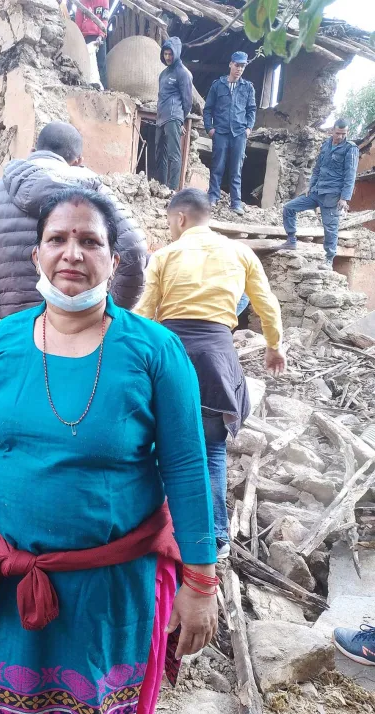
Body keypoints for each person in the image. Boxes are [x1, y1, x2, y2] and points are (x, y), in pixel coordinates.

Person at [0, 187, 218, 714]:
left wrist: (200, 581)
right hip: (10, 573)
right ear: (36, 255)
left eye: (90, 241)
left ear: (113, 261)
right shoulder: (2, 342)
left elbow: (186, 467)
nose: (72, 253)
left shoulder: (155, 350)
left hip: (111, 592)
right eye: (58, 239)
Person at [134, 189, 285, 559]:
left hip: (171, 357)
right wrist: (274, 345)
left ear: (180, 219)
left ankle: (161, 528)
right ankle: (216, 536)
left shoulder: (165, 256)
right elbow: (265, 302)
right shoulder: (240, 252)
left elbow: (145, 312)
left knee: (160, 447)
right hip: (218, 357)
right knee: (212, 451)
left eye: (170, 221)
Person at [0, 121, 147, 346]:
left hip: (14, 338)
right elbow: (135, 251)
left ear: (33, 151)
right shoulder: (93, 192)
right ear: (79, 161)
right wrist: (111, 315)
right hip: (82, 340)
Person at [280, 118, 359, 269]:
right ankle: (291, 240)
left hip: (333, 195)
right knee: (289, 208)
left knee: (330, 227)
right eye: (338, 133)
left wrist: (344, 198)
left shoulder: (350, 148)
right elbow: (317, 168)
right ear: (332, 131)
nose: (341, 136)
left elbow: (351, 174)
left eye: (344, 134)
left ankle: (329, 260)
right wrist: (310, 185)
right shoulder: (326, 144)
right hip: (317, 191)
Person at [203, 51, 257, 216]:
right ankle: (212, 197)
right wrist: (209, 129)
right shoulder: (218, 85)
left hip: (239, 133)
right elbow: (208, 109)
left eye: (242, 66)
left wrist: (248, 129)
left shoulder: (248, 87)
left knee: (236, 169)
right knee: (217, 166)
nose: (239, 69)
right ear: (230, 64)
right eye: (237, 65)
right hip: (220, 132)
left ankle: (236, 202)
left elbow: (251, 110)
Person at [156, 37, 193, 191]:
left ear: (177, 53)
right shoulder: (163, 74)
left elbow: (187, 101)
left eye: (170, 54)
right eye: (165, 54)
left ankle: (171, 191)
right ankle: (161, 187)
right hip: (161, 119)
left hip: (173, 117)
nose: (168, 57)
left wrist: (180, 119)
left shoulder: (183, 73)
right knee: (160, 155)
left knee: (174, 155)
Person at [75, 0, 109, 89]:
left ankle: (104, 90)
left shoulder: (104, 1)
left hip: (99, 36)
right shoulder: (81, 2)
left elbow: (105, 20)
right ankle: (87, 88)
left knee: (101, 63)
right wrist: (79, 38)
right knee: (86, 64)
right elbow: (78, 23)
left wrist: (101, 36)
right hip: (86, 37)